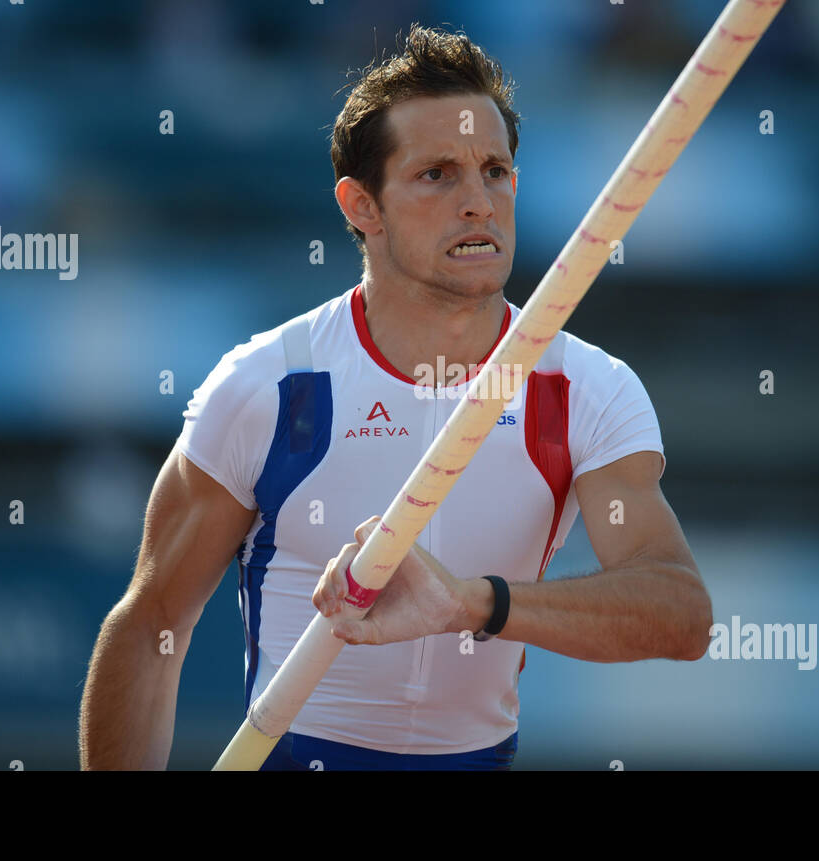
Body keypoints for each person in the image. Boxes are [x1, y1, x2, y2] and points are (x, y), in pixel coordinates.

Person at [78, 23, 711, 771]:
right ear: (361, 207)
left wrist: (472, 602)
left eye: (495, 171)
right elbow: (152, 624)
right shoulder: (272, 389)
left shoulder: (587, 391)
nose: (478, 201)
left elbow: (681, 615)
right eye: (437, 174)